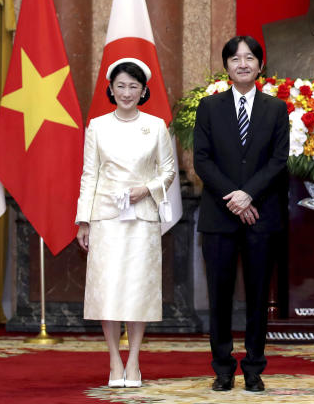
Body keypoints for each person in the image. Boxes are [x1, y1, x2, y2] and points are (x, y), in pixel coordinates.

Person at [193, 35, 290, 392]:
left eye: (250, 58)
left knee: (257, 295)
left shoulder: (276, 109)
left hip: (261, 215)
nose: (243, 63)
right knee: (219, 295)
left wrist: (248, 195)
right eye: (235, 58)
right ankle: (221, 367)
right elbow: (201, 159)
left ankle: (253, 366)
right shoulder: (209, 107)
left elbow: (279, 161)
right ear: (227, 67)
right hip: (219, 216)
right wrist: (232, 197)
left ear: (260, 65)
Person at [75, 58, 175, 389]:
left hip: (142, 218)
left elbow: (169, 171)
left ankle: (134, 361)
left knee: (138, 289)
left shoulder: (157, 126)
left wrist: (146, 189)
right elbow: (90, 174)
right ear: (111, 89)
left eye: (134, 86)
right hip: (106, 217)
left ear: (144, 90)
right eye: (121, 86)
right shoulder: (97, 126)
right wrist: (84, 220)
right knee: (108, 289)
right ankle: (113, 360)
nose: (127, 92)